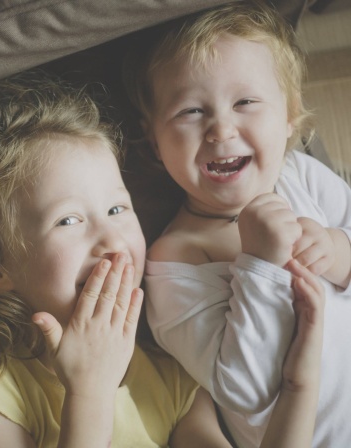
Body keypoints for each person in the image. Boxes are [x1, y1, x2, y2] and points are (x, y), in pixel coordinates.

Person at [0, 72, 324, 448]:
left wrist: (298, 385)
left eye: (118, 210)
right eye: (68, 220)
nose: (112, 240)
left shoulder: (171, 375)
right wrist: (90, 392)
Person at [123, 0, 351, 447]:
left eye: (245, 102)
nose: (220, 130)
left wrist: (337, 250)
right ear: (153, 140)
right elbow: (246, 390)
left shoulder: (300, 174)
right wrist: (260, 264)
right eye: (190, 111)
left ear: (289, 116)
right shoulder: (175, 259)